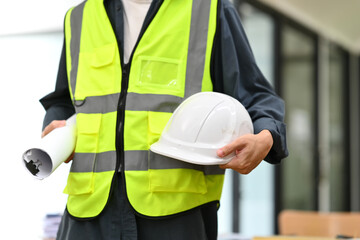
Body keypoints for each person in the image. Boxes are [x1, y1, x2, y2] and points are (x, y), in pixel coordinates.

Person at [40, 0, 288, 239]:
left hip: (176, 214)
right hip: (88, 214)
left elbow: (255, 94)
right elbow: (64, 100)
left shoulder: (209, 9)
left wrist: (266, 136)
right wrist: (55, 123)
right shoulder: (79, 17)